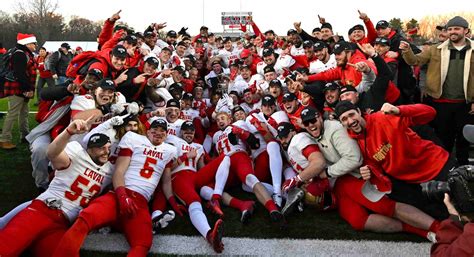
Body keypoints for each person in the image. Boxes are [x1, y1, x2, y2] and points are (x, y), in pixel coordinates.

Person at [52, 119, 177, 256]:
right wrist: (122, 196)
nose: (158, 133)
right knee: (86, 218)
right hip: (118, 193)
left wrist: (173, 202)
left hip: (140, 203)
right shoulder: (134, 139)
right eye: (155, 129)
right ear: (147, 131)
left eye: (162, 131)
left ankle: (115, 224)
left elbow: (166, 181)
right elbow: (119, 171)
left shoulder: (170, 150)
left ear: (166, 135)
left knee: (143, 243)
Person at [0, 118, 114, 257]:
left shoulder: (110, 171)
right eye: (101, 148)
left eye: (108, 147)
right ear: (89, 149)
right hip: (43, 210)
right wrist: (68, 132)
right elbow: (52, 153)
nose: (106, 152)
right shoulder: (76, 153)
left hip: (62, 225)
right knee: (5, 248)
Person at [335, 100, 455, 219]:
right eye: (344, 119)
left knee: (462, 202)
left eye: (351, 115)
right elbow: (374, 163)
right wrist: (369, 170)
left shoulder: (384, 117)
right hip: (410, 181)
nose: (350, 121)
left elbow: (430, 113)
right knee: (441, 214)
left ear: (358, 112)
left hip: (435, 165)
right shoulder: (354, 142)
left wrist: (400, 110)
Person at [400, 15, 474, 165]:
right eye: (450, 29)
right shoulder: (435, 49)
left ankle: (464, 170)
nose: (453, 32)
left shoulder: (472, 50)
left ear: (466, 31)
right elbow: (415, 61)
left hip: (465, 103)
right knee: (443, 137)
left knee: (464, 139)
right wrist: (407, 50)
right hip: (441, 102)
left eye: (457, 29)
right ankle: (445, 169)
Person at [0, 33, 37, 150]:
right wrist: (28, 89)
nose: (35, 45)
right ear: (26, 43)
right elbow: (20, 74)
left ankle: (25, 135)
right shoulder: (20, 54)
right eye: (33, 43)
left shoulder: (22, 52)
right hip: (18, 88)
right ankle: (4, 139)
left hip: (20, 87)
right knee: (13, 113)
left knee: (24, 112)